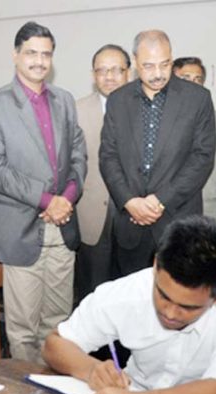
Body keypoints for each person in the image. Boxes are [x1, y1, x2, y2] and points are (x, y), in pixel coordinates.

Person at [42, 215, 216, 394]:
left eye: (187, 307)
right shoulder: (130, 291)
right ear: (155, 265)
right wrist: (92, 370)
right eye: (163, 295)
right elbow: (56, 344)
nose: (170, 313)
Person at [0, 21, 86, 363]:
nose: (39, 61)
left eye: (46, 54)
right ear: (16, 55)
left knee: (58, 323)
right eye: (32, 53)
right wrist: (47, 200)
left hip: (62, 225)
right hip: (21, 228)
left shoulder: (64, 100)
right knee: (23, 328)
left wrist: (66, 197)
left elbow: (79, 154)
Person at [100, 30, 216, 276]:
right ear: (135, 62)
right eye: (149, 66)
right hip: (130, 223)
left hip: (179, 220)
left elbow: (202, 157)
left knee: (180, 302)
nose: (158, 73)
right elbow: (108, 157)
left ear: (172, 59)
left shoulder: (197, 98)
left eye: (165, 64)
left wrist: (159, 200)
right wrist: (130, 201)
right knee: (131, 304)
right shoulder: (118, 101)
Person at [75, 43, 130, 299]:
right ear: (93, 74)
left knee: (128, 291)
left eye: (116, 70)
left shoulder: (146, 109)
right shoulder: (76, 110)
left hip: (134, 216)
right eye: (102, 70)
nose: (109, 76)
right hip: (91, 213)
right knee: (92, 293)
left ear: (129, 72)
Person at [171, 56, 216, 230]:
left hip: (207, 215)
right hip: (165, 213)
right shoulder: (159, 121)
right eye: (185, 79)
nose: (192, 84)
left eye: (197, 79)